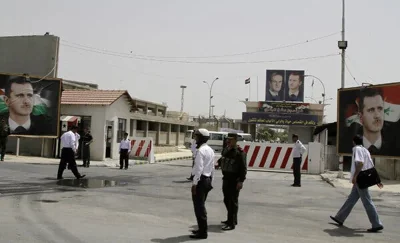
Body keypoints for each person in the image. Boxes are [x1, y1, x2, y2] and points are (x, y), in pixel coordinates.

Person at [330, 135, 384, 232]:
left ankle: (376, 224)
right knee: (351, 199)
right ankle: (339, 217)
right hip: (363, 178)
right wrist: (377, 180)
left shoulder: (356, 149)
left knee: (367, 201)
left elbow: (360, 163)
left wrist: (355, 176)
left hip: (360, 178)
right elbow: (371, 165)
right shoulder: (365, 150)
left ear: (354, 142)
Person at [218, 133, 247, 231]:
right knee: (226, 200)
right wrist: (218, 164)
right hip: (225, 178)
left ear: (235, 140)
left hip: (234, 180)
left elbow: (243, 168)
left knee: (232, 201)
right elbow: (222, 158)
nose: (228, 141)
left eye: (230, 139)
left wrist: (241, 181)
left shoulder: (239, 152)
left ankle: (231, 223)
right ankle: (232, 219)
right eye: (227, 139)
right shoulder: (226, 149)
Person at [190, 129, 215, 239]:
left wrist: (195, 183)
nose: (195, 139)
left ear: (202, 138)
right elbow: (212, 167)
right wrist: (211, 180)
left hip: (200, 181)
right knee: (201, 206)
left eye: (197, 137)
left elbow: (199, 168)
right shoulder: (210, 150)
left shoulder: (201, 151)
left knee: (199, 208)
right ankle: (201, 229)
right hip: (207, 179)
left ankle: (203, 232)